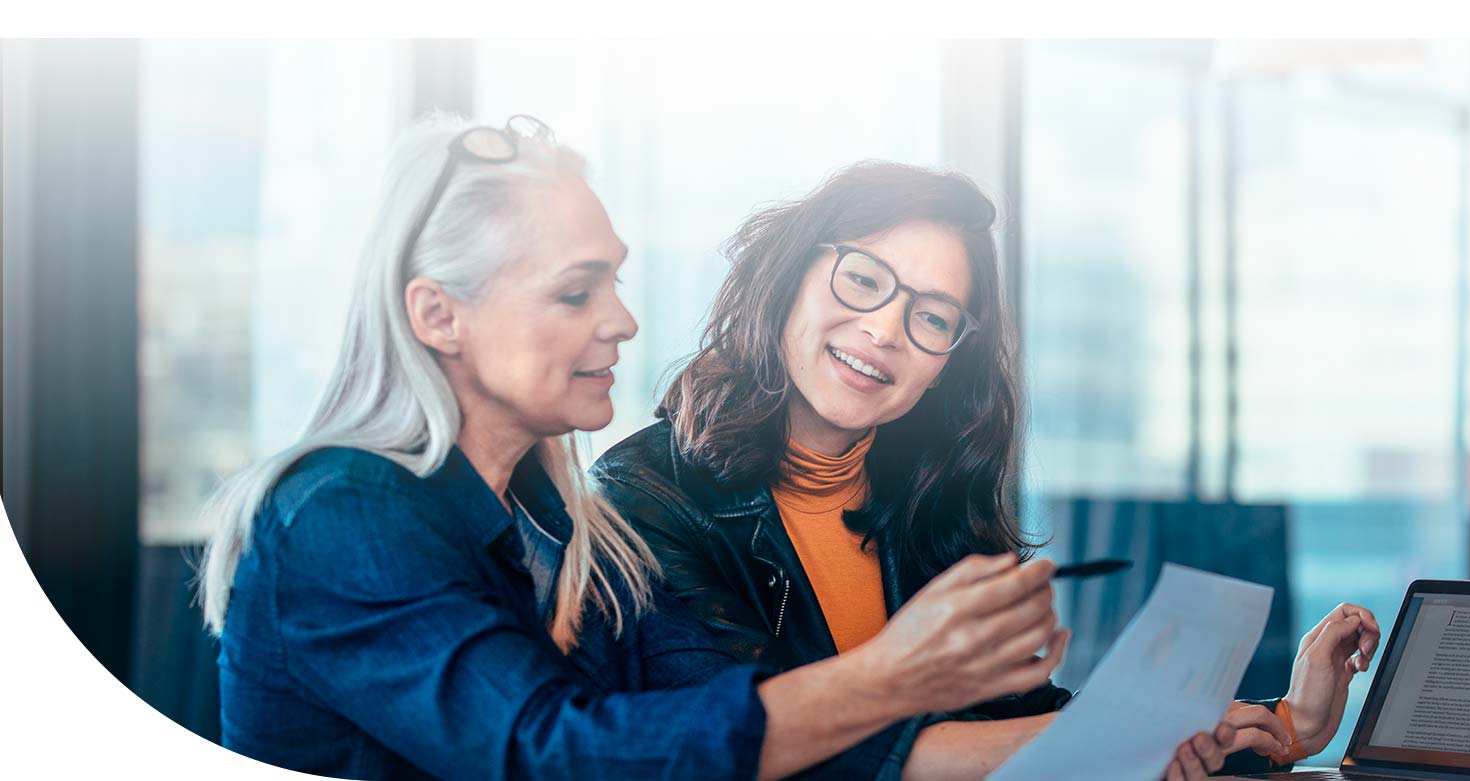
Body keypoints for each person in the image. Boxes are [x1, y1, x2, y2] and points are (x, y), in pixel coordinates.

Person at [197, 116, 1240, 780]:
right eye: (576, 291)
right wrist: (892, 674)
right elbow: (556, 754)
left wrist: (1178, 729)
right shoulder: (349, 513)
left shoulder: (549, 516)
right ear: (438, 315)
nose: (623, 322)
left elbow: (702, 738)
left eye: (614, 280)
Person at [591, 160, 1383, 779]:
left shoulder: (930, 496)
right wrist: (1108, 735)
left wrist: (1282, 723)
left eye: (931, 315)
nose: (883, 330)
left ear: (947, 359)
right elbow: (763, 746)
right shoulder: (644, 497)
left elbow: (1021, 723)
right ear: (790, 276)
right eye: (863, 279)